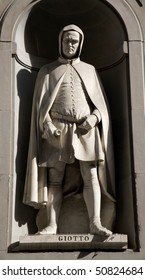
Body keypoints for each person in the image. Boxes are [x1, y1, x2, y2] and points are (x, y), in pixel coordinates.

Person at [23, 24, 115, 236]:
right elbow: (40, 105)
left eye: (74, 41)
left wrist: (94, 117)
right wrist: (47, 125)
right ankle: (52, 225)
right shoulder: (48, 70)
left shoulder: (90, 70)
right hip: (57, 129)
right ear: (60, 42)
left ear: (80, 44)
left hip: (85, 130)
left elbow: (101, 105)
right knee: (55, 178)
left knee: (91, 175)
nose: (70, 44)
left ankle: (95, 222)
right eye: (67, 41)